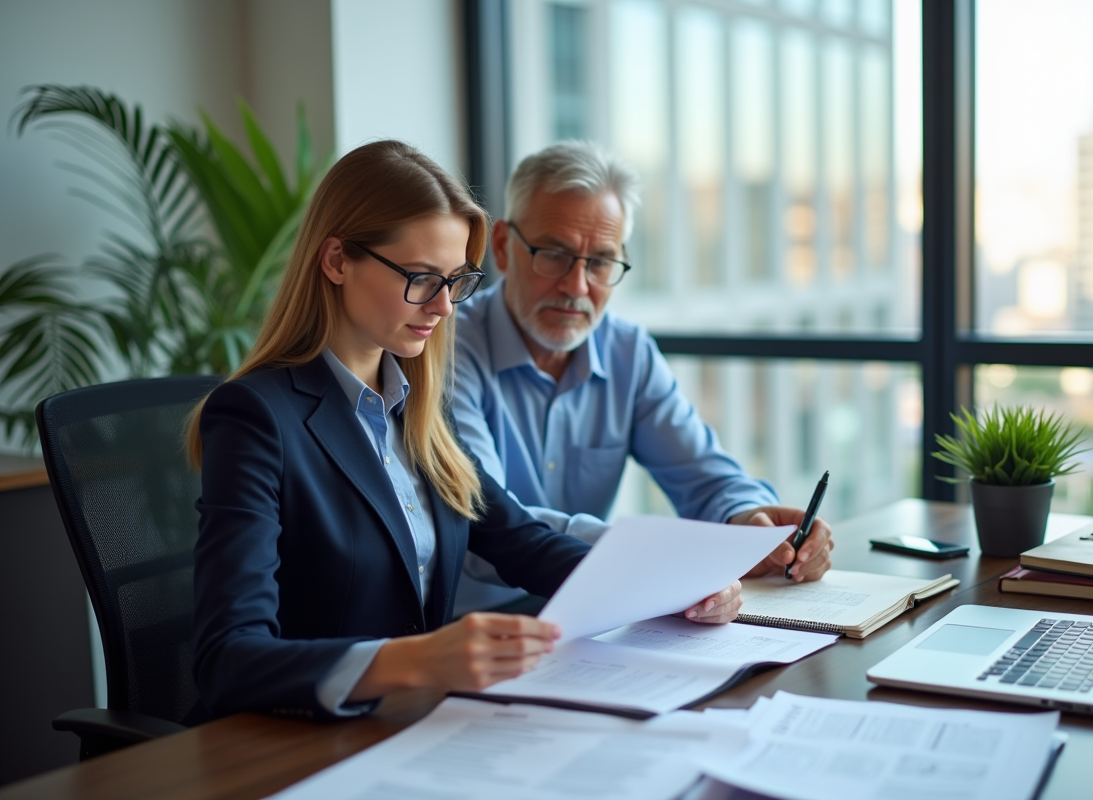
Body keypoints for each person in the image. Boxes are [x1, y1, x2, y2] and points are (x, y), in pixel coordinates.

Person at [185, 140, 742, 723]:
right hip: (288, 743)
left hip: (410, 727)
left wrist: (674, 584)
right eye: (422, 278)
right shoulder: (256, 417)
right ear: (337, 261)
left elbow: (520, 541)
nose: (445, 307)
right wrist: (420, 660)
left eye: (456, 281)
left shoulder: (418, 406)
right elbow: (229, 660)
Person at [453, 140, 834, 613]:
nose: (577, 287)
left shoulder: (627, 352)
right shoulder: (447, 352)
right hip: (475, 630)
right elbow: (488, 524)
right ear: (505, 247)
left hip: (598, 618)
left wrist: (748, 519)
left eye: (600, 263)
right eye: (553, 255)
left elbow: (705, 474)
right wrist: (653, 558)